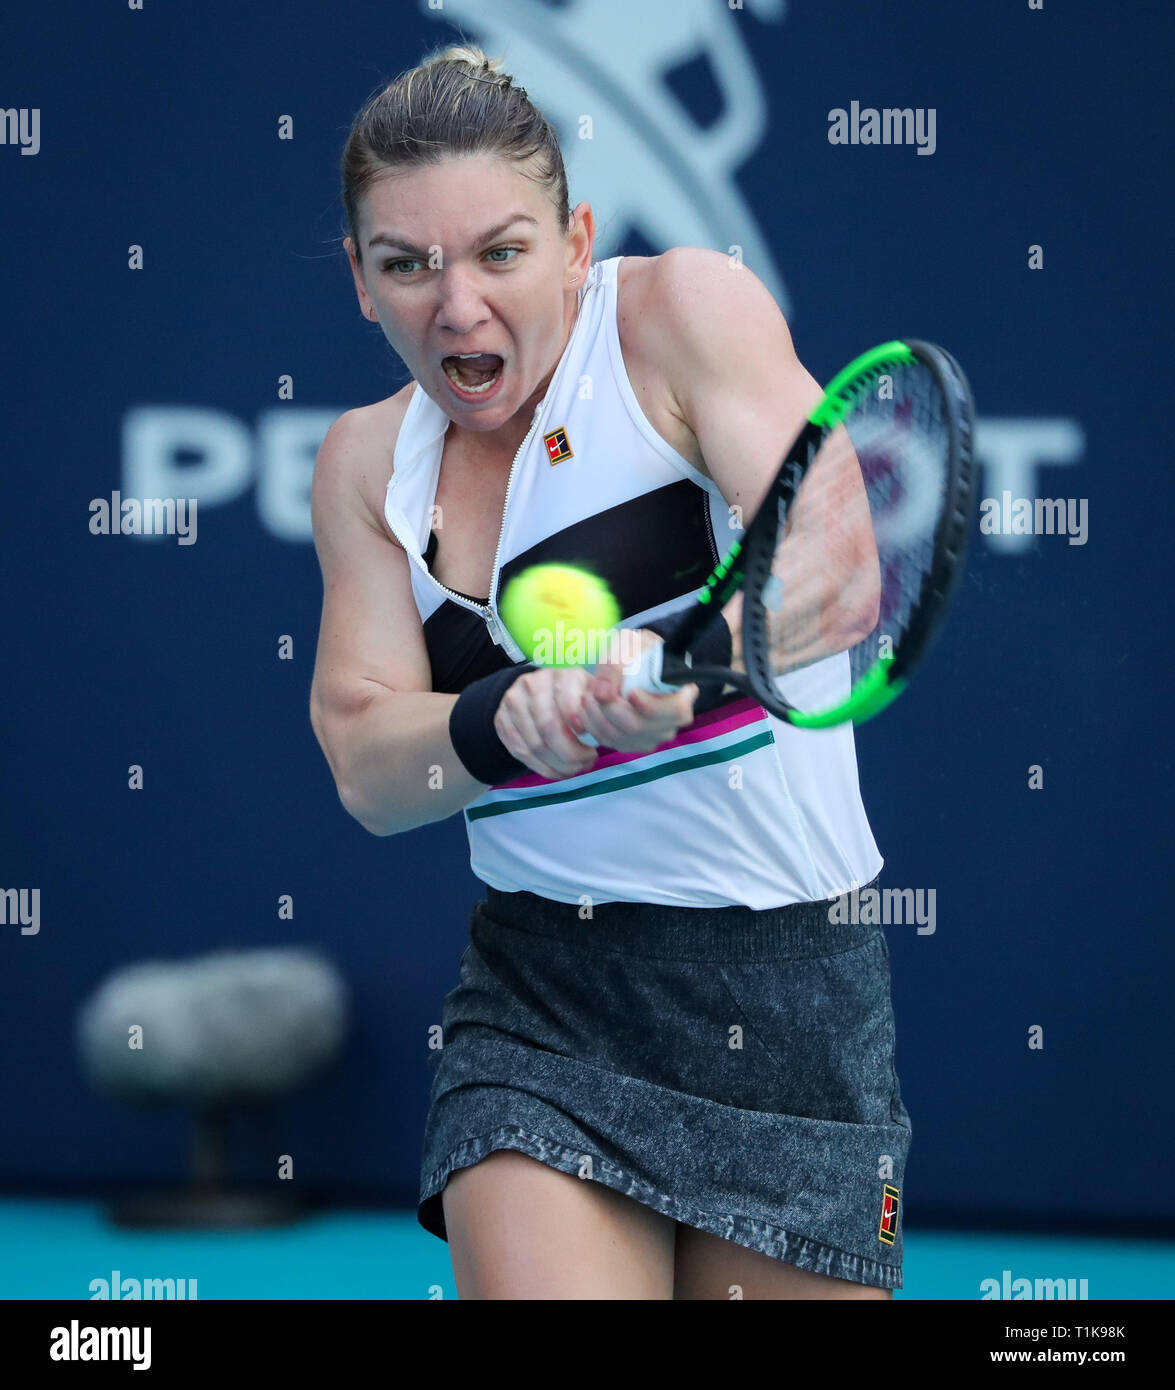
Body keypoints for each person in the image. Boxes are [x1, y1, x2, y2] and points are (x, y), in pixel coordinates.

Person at [310, 41, 910, 1300]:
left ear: (578, 240)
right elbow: (367, 763)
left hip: (793, 989)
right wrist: (504, 723)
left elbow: (837, 572)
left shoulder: (680, 314)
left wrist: (686, 671)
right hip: (543, 996)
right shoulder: (365, 465)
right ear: (359, 282)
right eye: (407, 264)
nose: (456, 305)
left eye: (500, 252)